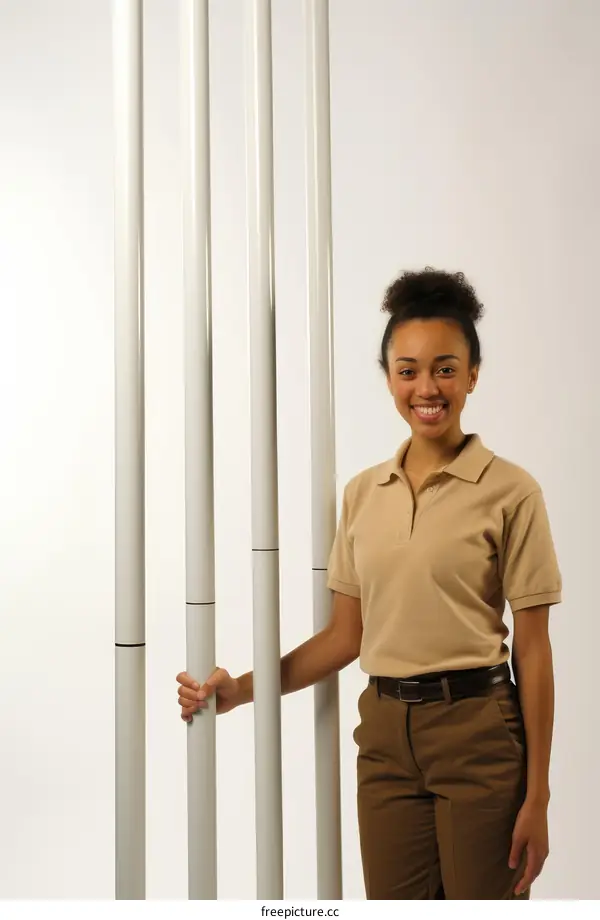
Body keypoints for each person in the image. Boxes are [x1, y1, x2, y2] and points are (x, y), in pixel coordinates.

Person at [176, 267, 561, 900]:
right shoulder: (362, 495)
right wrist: (242, 689)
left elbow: (535, 648)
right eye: (407, 370)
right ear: (388, 377)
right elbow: (343, 638)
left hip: (478, 732)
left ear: (472, 374)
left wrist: (539, 794)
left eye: (444, 367)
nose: (426, 387)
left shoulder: (511, 491)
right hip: (383, 737)